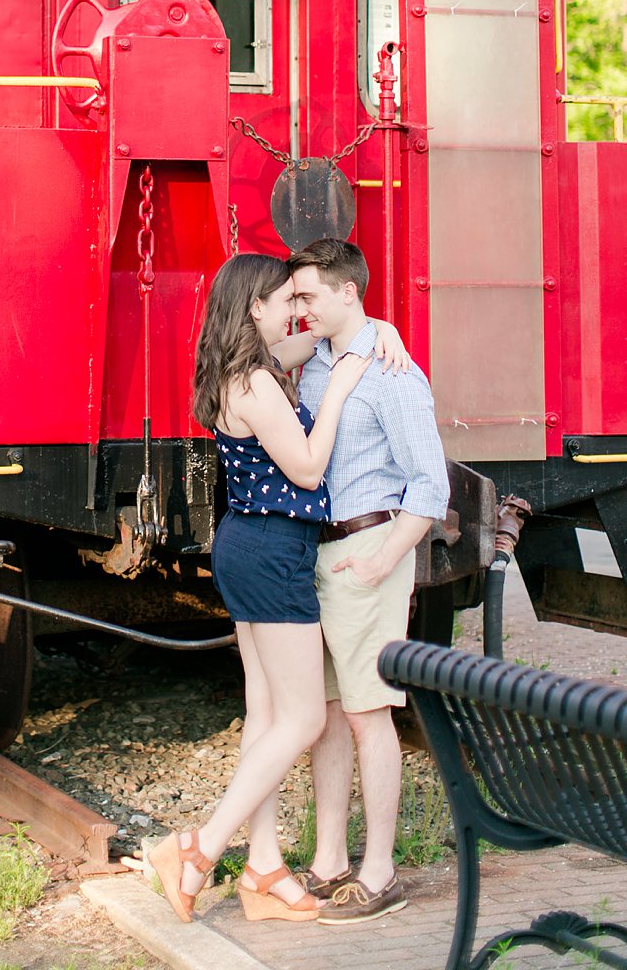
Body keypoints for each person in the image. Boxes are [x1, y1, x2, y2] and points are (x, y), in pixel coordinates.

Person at [144, 252, 406, 924]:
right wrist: (345, 386)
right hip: (274, 551)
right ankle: (199, 848)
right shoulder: (257, 382)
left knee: (265, 717)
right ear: (254, 307)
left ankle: (262, 865)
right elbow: (310, 467)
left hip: (245, 543)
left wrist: (381, 333)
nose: (298, 310)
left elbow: (328, 333)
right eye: (287, 299)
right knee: (306, 718)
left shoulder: (233, 369)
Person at [287, 237, 449, 926]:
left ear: (348, 292)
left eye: (309, 295)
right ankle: (328, 861)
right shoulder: (314, 364)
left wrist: (386, 562)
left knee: (368, 712)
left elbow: (431, 484)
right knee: (324, 716)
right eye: (294, 297)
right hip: (317, 556)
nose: (300, 308)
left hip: (368, 548)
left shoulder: (393, 374)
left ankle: (379, 869)